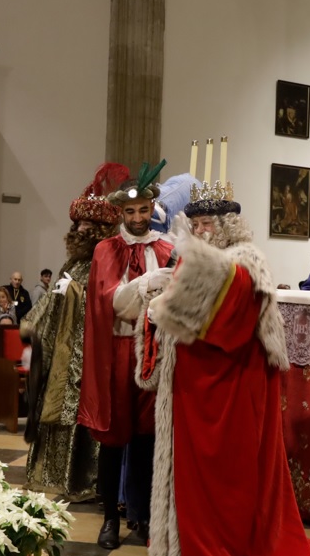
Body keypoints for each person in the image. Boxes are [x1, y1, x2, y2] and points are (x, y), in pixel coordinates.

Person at [135, 184, 310, 556]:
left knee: (226, 478)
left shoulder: (245, 260)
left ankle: (219, 544)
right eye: (194, 223)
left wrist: (173, 298)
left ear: (228, 225)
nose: (199, 231)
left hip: (229, 389)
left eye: (206, 223)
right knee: (192, 475)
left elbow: (230, 316)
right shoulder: (193, 260)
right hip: (192, 390)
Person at [78, 162, 174, 549]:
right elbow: (112, 302)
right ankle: (108, 519)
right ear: (121, 212)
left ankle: (145, 513)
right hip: (118, 352)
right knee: (114, 438)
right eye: (130, 212)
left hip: (154, 352)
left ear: (153, 209)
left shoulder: (166, 249)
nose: (137, 218)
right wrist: (146, 284)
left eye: (144, 210)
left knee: (148, 438)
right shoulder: (106, 250)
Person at [23, 162, 129, 503]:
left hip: (87, 357)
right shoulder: (72, 263)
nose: (80, 229)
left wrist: (73, 296)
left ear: (100, 229)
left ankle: (84, 479)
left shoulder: (109, 259)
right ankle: (52, 475)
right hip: (61, 356)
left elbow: (104, 303)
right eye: (78, 223)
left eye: (87, 224)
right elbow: (57, 296)